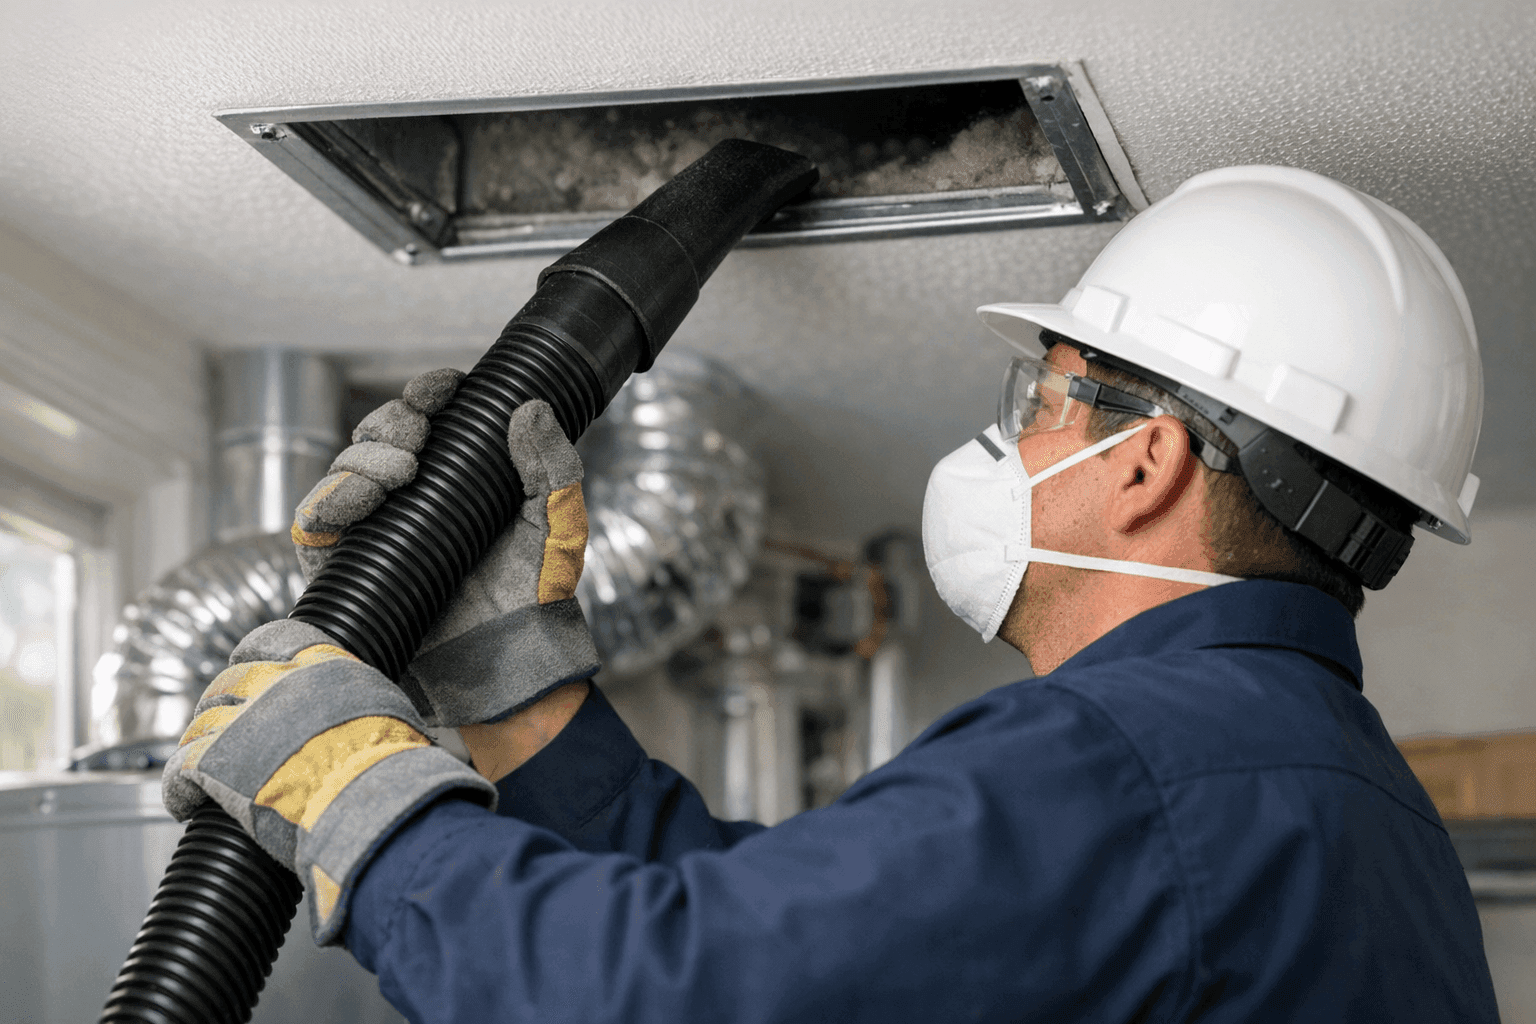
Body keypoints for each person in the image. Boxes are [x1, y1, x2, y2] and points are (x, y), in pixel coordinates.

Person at [164, 165, 1499, 1022]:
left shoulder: (1131, 766)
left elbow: (667, 1000)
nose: (1015, 444)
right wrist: (507, 672)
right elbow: (769, 950)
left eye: (1041, 402)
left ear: (1145, 460)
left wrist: (357, 798)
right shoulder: (1341, 808)